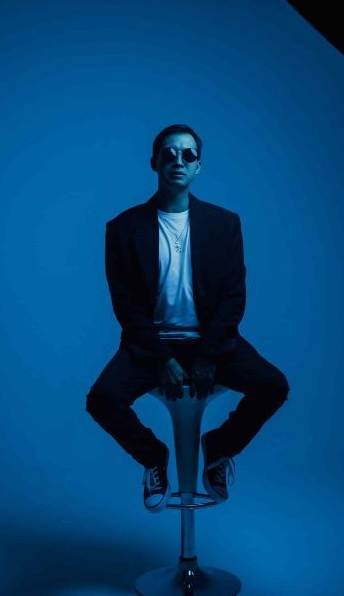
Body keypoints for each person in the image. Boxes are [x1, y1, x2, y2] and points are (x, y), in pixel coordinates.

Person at [86, 123, 290, 514]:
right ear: (154, 163)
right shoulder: (123, 229)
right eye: (169, 153)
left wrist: (209, 356)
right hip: (149, 345)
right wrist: (162, 359)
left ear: (198, 166)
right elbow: (126, 306)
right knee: (103, 399)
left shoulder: (224, 224)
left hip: (212, 342)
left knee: (272, 386)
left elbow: (233, 296)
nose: (178, 161)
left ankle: (219, 448)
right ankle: (153, 458)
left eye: (188, 154)